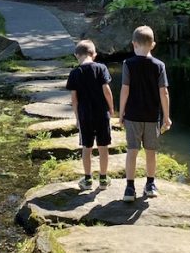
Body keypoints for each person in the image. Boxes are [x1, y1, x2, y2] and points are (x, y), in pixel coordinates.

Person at [119, 25, 171, 202]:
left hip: (132, 115)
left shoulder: (128, 64)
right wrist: (166, 116)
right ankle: (150, 184)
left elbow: (124, 90)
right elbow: (164, 92)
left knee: (132, 151)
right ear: (153, 45)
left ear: (134, 44)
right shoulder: (159, 65)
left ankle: (129, 188)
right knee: (151, 152)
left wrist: (121, 113)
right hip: (151, 116)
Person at [65, 39, 115, 190]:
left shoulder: (74, 73)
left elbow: (74, 99)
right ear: (94, 54)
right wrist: (111, 108)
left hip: (85, 115)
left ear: (76, 55)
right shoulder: (101, 68)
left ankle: (87, 179)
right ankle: (104, 179)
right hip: (101, 114)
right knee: (103, 147)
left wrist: (77, 117)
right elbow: (107, 90)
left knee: (86, 147)